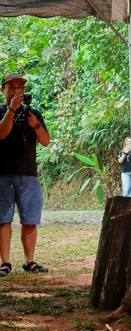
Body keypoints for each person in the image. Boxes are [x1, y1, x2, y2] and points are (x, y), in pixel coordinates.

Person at [0, 72, 51, 277]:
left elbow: (46, 141)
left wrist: (35, 124)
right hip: (2, 174)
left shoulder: (33, 113)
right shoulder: (1, 111)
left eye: (20, 87)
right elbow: (2, 133)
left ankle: (29, 261)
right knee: (3, 219)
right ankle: (4, 263)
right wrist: (11, 109)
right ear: (3, 90)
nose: (16, 90)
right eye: (12, 87)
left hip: (28, 175)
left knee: (30, 220)